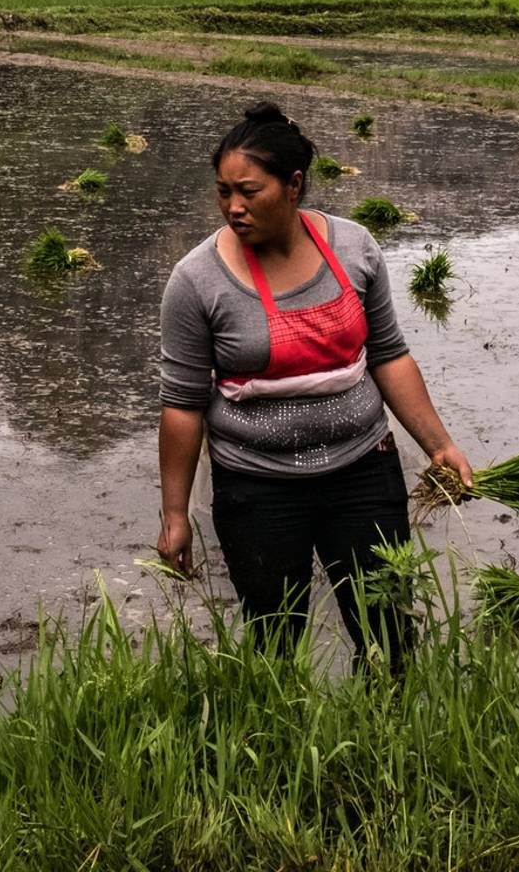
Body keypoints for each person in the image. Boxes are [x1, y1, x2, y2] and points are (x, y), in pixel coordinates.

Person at [155, 102, 472, 664]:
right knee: (274, 642)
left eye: (249, 191)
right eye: (223, 191)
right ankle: (279, 745)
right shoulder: (196, 279)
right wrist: (176, 516)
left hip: (363, 471)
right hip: (257, 488)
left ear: (294, 184)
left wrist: (439, 444)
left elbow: (390, 355)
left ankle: (390, 735)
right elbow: (182, 406)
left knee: (389, 633)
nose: (233, 207)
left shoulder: (354, 247)